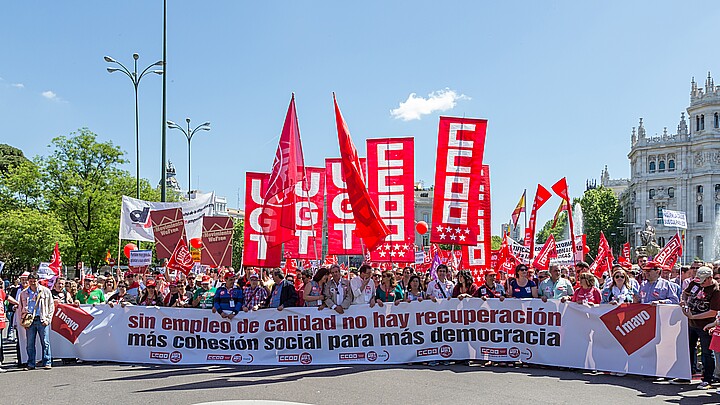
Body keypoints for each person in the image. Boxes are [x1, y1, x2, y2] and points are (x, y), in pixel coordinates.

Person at [681, 266, 720, 389]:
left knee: (707, 352)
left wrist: (693, 317)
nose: (701, 283)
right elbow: (685, 294)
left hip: (706, 325)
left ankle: (708, 378)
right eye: (699, 280)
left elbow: (713, 312)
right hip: (691, 323)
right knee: (688, 349)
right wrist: (684, 302)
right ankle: (687, 374)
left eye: (703, 281)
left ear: (710, 278)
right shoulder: (695, 283)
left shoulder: (716, 290)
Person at [19, 273, 54, 370]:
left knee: (45, 342)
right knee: (30, 344)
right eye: (30, 281)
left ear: (37, 280)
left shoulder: (45, 291)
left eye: (34, 281)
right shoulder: (24, 293)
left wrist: (48, 319)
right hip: (30, 320)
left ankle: (47, 362)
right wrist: (23, 321)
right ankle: (31, 364)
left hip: (42, 319)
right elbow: (20, 308)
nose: (32, 283)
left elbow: (51, 306)